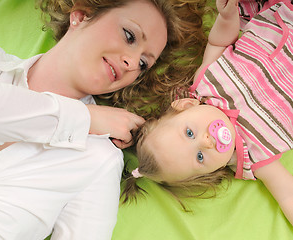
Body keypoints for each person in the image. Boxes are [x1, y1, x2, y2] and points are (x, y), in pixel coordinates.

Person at [0, 0, 210, 239]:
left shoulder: (99, 158)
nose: (131, 63)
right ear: (81, 14)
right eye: (129, 36)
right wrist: (85, 119)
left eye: (142, 64)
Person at [122, 0, 293, 226]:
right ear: (215, 169)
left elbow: (219, 41)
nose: (207, 141)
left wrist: (226, 18)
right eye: (200, 157)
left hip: (282, 25)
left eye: (190, 133)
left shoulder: (207, 83)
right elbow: (287, 193)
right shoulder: (255, 156)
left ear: (185, 106)